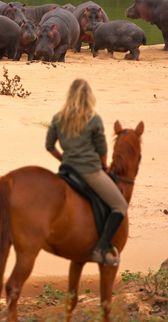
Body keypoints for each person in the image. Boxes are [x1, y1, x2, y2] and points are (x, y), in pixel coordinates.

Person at [45, 78, 127, 266]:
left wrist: (63, 159)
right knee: (120, 205)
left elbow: (49, 146)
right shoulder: (93, 118)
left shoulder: (59, 117)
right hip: (90, 171)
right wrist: (104, 165)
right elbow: (102, 149)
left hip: (67, 170)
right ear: (88, 97)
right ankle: (102, 247)